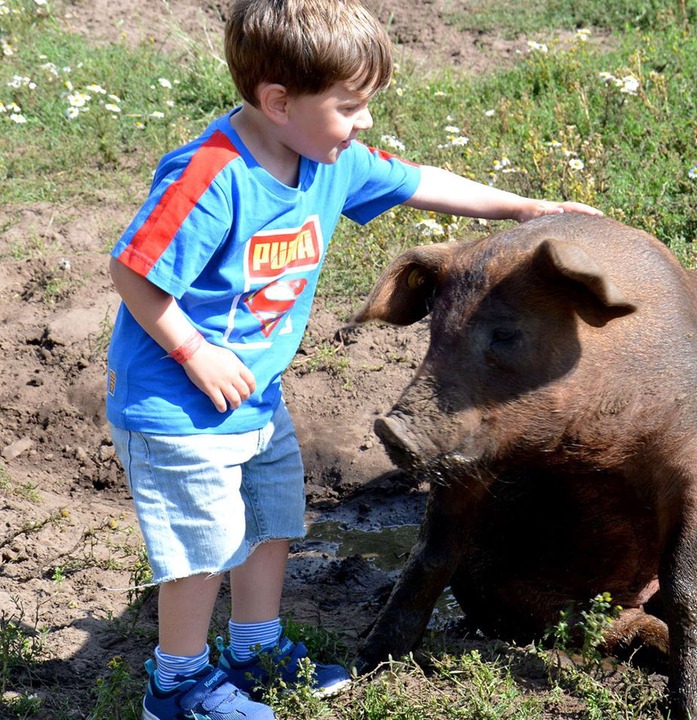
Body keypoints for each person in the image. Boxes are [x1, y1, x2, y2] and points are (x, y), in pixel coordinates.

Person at [104, 1, 601, 718]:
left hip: (254, 395)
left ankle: (254, 648)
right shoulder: (212, 176)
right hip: (176, 402)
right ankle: (175, 686)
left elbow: (421, 181)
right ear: (278, 101)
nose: (364, 122)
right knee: (203, 547)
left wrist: (523, 209)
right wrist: (196, 353)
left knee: (270, 522)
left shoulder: (325, 160)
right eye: (350, 106)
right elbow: (134, 274)